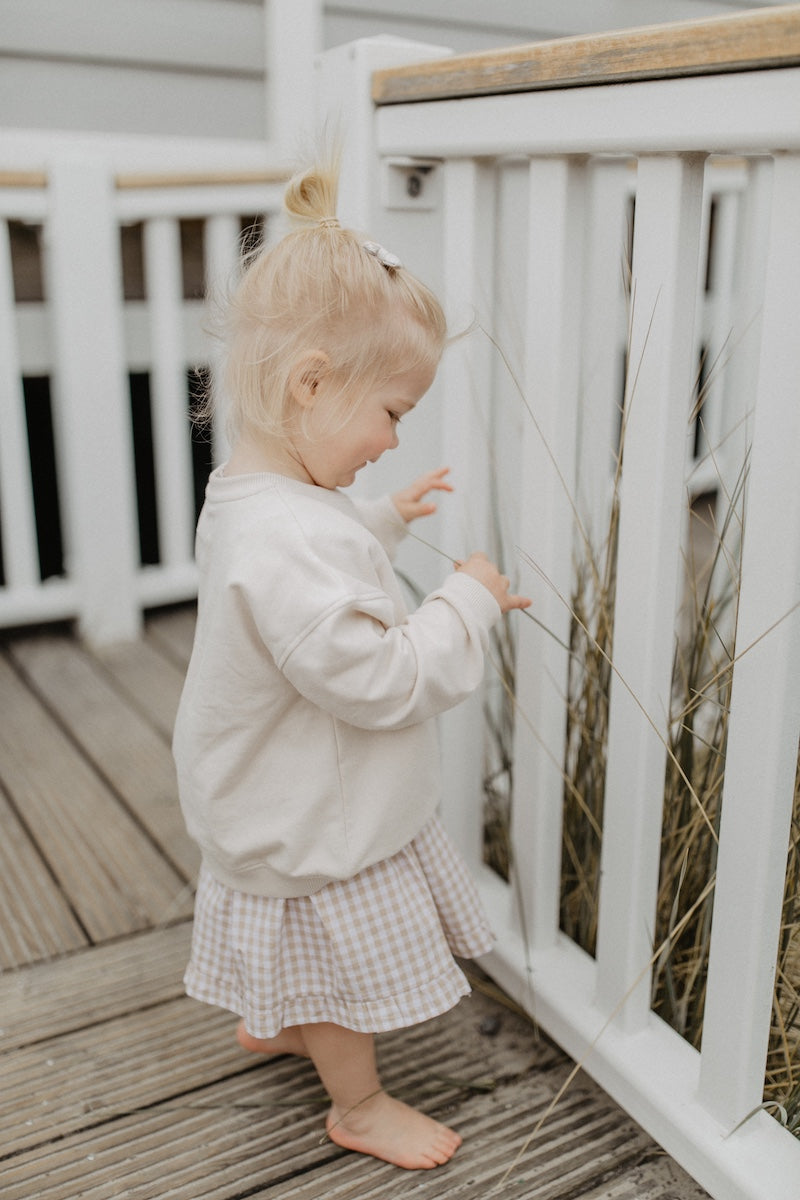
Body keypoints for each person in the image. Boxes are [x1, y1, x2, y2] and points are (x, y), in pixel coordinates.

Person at [172, 154, 531, 1172]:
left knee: (293, 944)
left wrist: (378, 516)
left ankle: (279, 1018)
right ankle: (359, 1103)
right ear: (312, 382)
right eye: (391, 414)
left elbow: (306, 577)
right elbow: (383, 681)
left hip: (260, 787)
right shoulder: (290, 542)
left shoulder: (252, 490)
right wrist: (465, 599)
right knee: (332, 951)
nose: (388, 439)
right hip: (310, 814)